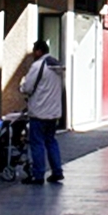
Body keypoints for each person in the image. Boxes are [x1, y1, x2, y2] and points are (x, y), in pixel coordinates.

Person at [20, 40, 64, 185]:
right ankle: (57, 171)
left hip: (39, 111)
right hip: (53, 112)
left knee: (37, 143)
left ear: (39, 51)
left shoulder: (38, 66)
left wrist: (22, 84)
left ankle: (38, 175)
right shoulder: (56, 65)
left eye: (34, 50)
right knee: (51, 141)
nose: (33, 53)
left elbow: (27, 88)